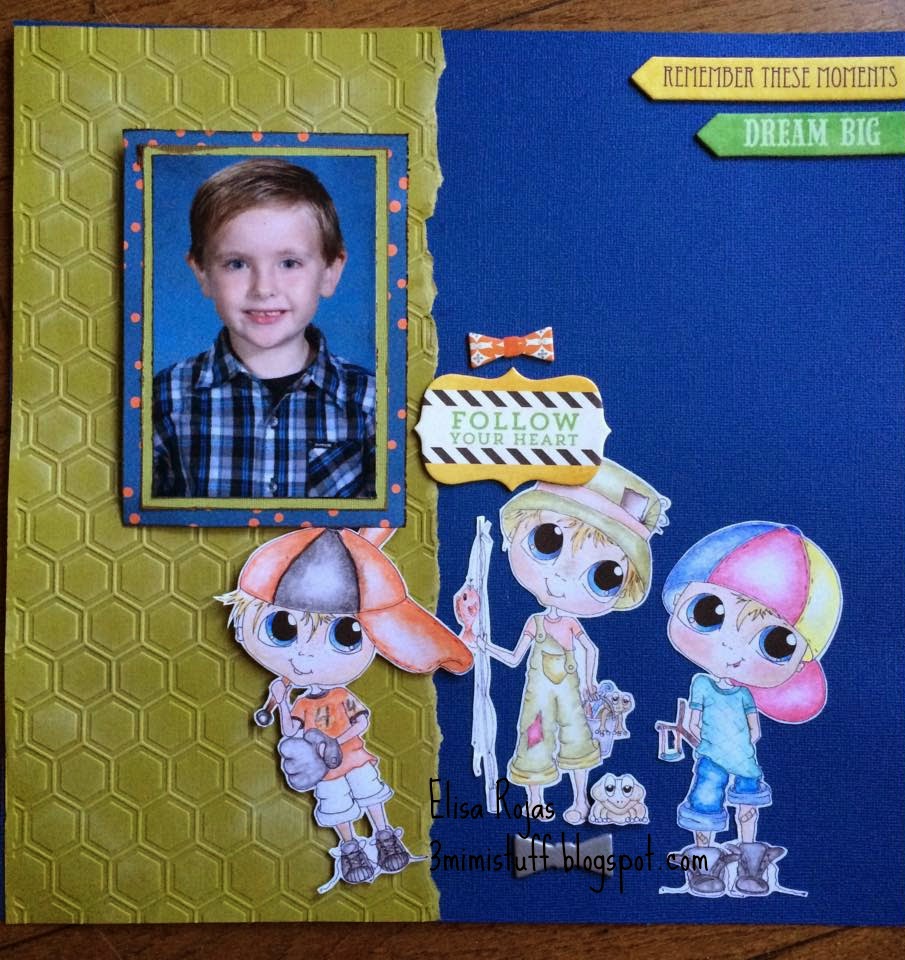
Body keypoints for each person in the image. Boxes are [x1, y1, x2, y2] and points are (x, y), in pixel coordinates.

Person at [218, 526, 472, 888]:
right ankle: (351, 848)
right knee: (336, 805)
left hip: (353, 758)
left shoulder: (339, 697)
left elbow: (360, 722)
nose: (305, 657)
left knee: (369, 794)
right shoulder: (301, 702)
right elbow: (291, 734)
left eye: (345, 634)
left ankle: (384, 836)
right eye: (282, 628)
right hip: (326, 772)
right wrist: (282, 701)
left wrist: (336, 742)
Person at [153, 158, 375, 499]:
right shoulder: (163, 399)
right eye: (237, 264)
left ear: (330, 271)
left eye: (289, 263)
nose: (263, 288)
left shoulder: (371, 402)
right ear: (202, 273)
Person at [482, 459, 669, 825]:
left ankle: (581, 800)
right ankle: (535, 800)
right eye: (546, 542)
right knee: (533, 737)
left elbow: (590, 649)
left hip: (570, 691)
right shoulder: (535, 622)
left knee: (577, 736)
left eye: (604, 576)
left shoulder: (569, 624)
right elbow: (515, 658)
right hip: (537, 697)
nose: (561, 579)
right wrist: (484, 646)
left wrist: (587, 682)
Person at [661, 521, 842, 896]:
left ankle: (749, 860)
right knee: (708, 802)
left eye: (775, 643)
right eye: (709, 612)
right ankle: (705, 862)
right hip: (721, 755)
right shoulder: (702, 684)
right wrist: (704, 740)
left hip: (735, 755)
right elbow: (733, 727)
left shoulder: (742, 693)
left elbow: (744, 726)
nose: (731, 649)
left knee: (742, 803)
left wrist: (708, 739)